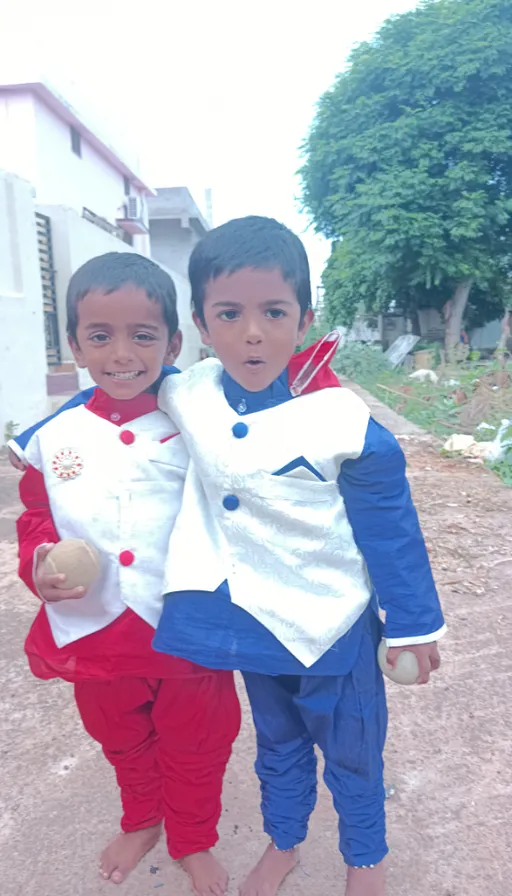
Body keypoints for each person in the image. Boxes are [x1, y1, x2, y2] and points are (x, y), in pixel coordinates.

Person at [151, 216, 446, 896]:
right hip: (253, 624)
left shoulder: (342, 421)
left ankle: (364, 858)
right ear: (201, 321)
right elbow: (124, 388)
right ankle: (284, 842)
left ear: (303, 318)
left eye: (273, 312)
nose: (251, 332)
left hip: (331, 626)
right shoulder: (188, 391)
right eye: (229, 313)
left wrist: (413, 625)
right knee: (278, 749)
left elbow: (390, 527)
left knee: (353, 756)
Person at [14, 252, 240, 896]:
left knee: (197, 742)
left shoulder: (201, 420)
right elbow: (37, 518)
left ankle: (193, 836)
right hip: (95, 629)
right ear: (74, 345)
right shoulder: (50, 438)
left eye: (143, 335)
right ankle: (143, 817)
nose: (122, 353)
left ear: (173, 341)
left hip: (186, 623)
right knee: (120, 736)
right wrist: (38, 565)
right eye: (100, 335)